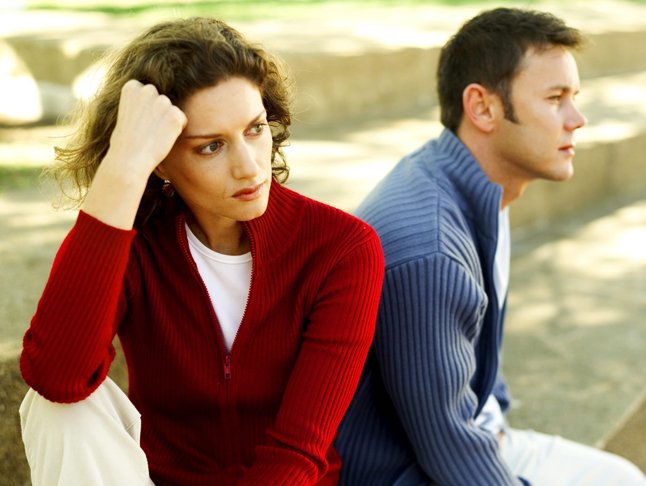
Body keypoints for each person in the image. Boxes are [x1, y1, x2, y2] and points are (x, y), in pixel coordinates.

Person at [19, 17, 384, 486]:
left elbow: (297, 452)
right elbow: (55, 376)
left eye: (255, 129)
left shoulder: (340, 248)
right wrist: (123, 169)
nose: (250, 166)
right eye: (211, 146)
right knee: (56, 409)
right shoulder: (134, 242)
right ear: (161, 158)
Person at [335, 7, 646, 486]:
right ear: (482, 107)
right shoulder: (432, 253)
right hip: (409, 472)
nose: (578, 119)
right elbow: (448, 448)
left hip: (475, 436)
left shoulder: (474, 187)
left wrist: (493, 417)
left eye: (574, 97)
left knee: (622, 478)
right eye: (555, 98)